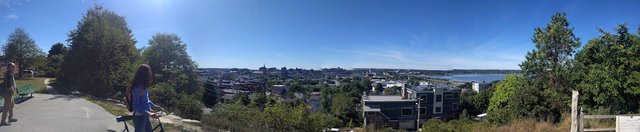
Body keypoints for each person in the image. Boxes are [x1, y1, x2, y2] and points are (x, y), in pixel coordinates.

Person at [126, 64, 160, 132]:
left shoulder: (143, 87)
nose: (150, 74)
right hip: (139, 117)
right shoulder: (137, 88)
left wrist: (154, 106)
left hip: (145, 116)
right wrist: (150, 113)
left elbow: (146, 100)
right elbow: (136, 106)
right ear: (145, 74)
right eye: (149, 72)